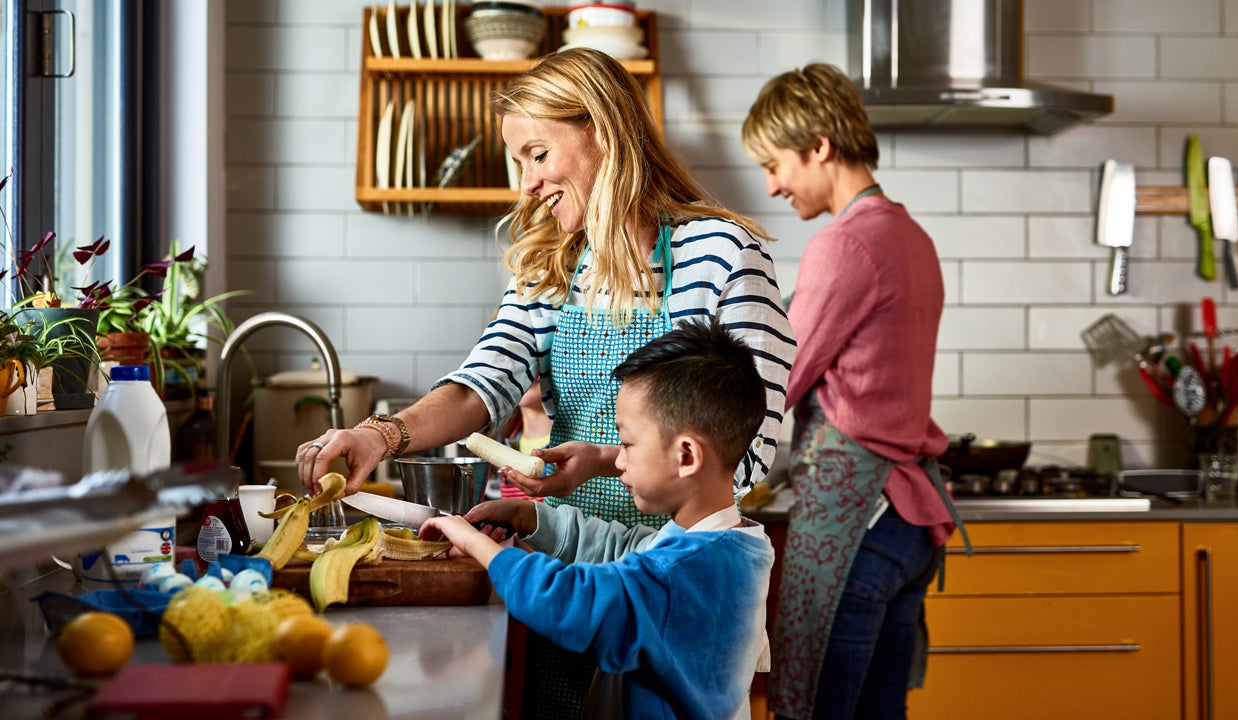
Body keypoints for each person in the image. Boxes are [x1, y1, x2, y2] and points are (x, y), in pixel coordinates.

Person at [298, 47, 795, 718]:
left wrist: (613, 470)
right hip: (562, 575)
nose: (526, 185)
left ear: (600, 130)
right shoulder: (549, 265)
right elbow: (485, 383)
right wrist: (378, 436)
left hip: (674, 590)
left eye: (537, 154)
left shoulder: (725, 254)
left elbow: (747, 448)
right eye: (519, 163)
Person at [741, 63, 965, 720]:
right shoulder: (912, 237)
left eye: (775, 163)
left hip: (856, 522)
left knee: (813, 712)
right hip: (907, 526)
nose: (772, 183)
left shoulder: (843, 245)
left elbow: (777, 377)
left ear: (819, 146)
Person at [423, 318, 774, 720]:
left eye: (626, 444)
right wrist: (531, 516)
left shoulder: (681, 571)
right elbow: (622, 548)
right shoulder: (731, 543)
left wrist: (472, 542)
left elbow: (568, 599)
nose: (617, 461)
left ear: (687, 456)